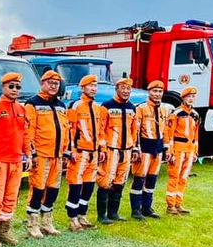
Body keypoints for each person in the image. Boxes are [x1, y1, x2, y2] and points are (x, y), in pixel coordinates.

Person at [0, 72, 31, 247]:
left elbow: (25, 134)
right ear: (3, 87)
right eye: (11, 86)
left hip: (16, 162)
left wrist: (29, 155)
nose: (15, 90)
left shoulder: (22, 109)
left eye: (18, 87)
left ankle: (4, 231)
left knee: (11, 198)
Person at [24, 70, 71, 238]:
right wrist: (33, 153)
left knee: (53, 190)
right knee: (37, 189)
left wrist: (66, 152)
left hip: (57, 156)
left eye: (56, 84)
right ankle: (33, 224)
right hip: (41, 155)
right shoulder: (32, 104)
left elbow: (66, 130)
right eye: (50, 83)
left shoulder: (61, 105)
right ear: (42, 84)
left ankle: (47, 223)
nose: (53, 86)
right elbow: (28, 130)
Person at [64, 74, 106, 232]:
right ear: (83, 88)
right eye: (91, 85)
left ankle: (82, 215)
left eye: (95, 85)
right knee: (75, 185)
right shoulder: (76, 106)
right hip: (80, 153)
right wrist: (71, 150)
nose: (94, 88)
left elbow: (100, 131)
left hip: (94, 153)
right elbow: (70, 130)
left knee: (89, 186)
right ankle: (72, 218)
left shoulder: (97, 107)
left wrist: (102, 148)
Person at [96, 77, 140, 224]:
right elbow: (100, 130)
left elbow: (134, 130)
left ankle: (113, 213)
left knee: (120, 182)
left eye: (128, 89)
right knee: (105, 181)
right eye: (123, 88)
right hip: (111, 150)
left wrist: (134, 148)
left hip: (126, 150)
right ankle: (102, 216)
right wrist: (102, 148)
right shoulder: (106, 106)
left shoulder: (132, 108)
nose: (126, 91)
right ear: (116, 89)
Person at [130, 80, 171, 219]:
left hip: (157, 148)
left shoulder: (165, 109)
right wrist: (136, 148)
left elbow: (165, 131)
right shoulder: (141, 108)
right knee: (139, 179)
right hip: (145, 147)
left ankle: (147, 208)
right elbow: (135, 130)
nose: (157, 94)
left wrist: (166, 148)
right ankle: (136, 210)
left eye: (160, 91)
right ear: (149, 92)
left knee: (152, 179)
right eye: (155, 91)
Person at [164, 86, 200, 215]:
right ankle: (170, 205)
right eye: (188, 97)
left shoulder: (195, 115)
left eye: (192, 97)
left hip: (189, 150)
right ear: (183, 98)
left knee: (183, 177)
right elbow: (169, 134)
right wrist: (170, 152)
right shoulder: (176, 113)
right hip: (178, 149)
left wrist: (195, 152)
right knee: (174, 176)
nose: (190, 99)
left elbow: (196, 136)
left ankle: (178, 203)